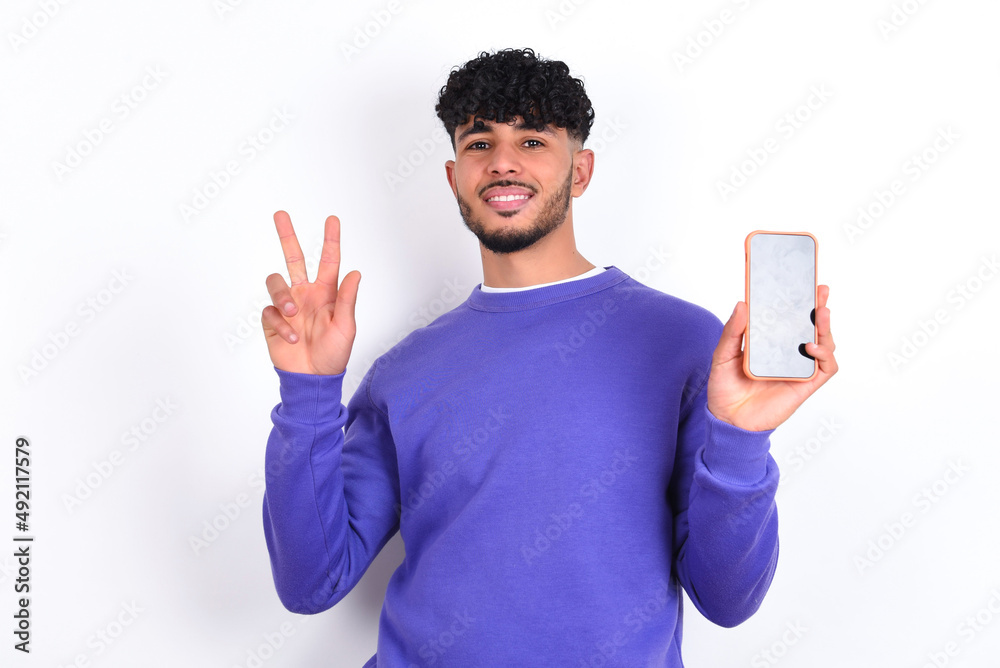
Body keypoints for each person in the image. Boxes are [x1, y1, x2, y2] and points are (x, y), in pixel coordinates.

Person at [260, 48, 837, 667]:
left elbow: (727, 600)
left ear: (580, 171)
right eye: (480, 142)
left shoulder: (686, 342)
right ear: (454, 177)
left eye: (532, 140)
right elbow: (310, 582)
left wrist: (742, 443)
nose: (502, 162)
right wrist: (308, 395)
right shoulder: (403, 372)